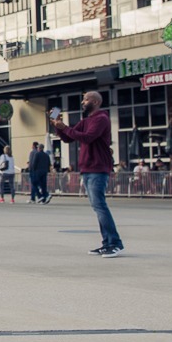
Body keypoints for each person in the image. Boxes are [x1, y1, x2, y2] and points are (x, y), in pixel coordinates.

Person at [50, 91, 124, 257]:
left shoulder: (101, 119)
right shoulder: (87, 120)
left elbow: (88, 138)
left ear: (96, 102)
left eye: (86, 99)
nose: (83, 102)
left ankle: (115, 243)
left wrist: (65, 128)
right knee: (97, 207)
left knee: (100, 206)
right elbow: (69, 138)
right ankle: (106, 243)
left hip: (98, 167)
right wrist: (58, 126)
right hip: (88, 168)